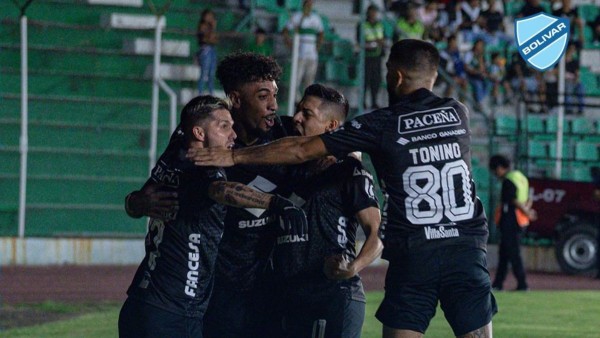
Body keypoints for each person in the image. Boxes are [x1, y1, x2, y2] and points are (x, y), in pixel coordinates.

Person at [187, 39, 498, 338]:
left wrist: (233, 155)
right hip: (465, 248)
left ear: (395, 75)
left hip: (410, 254)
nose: (291, 115)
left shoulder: (379, 125)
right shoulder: (458, 112)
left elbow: (302, 149)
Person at [125, 52, 295, 338]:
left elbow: (325, 143)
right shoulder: (196, 146)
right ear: (236, 99)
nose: (273, 106)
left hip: (266, 284)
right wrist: (137, 202)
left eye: (275, 95)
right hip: (211, 291)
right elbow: (145, 198)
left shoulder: (287, 133)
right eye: (263, 96)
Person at [275, 84, 383, 338]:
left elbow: (377, 233)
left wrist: (353, 267)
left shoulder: (348, 171)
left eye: (307, 113)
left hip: (333, 296)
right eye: (298, 110)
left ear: (331, 126)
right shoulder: (287, 166)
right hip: (288, 298)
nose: (297, 118)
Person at [488, 154, 537, 291]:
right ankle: (498, 283)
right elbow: (528, 197)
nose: (495, 174)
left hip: (511, 219)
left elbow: (513, 200)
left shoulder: (508, 181)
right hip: (520, 220)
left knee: (512, 252)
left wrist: (527, 212)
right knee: (504, 253)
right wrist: (528, 211)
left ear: (499, 168)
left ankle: (522, 283)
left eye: (495, 170)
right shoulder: (520, 177)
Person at [283, 0, 324, 97]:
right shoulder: (297, 16)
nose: (309, 6)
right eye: (307, 4)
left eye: (311, 4)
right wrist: (290, 45)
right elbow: (285, 31)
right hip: (300, 54)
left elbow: (321, 33)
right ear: (303, 5)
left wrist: (318, 47)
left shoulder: (316, 18)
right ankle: (295, 100)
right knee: (296, 80)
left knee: (309, 81)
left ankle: (307, 100)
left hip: (312, 55)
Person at [358, 4, 385, 109]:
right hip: (366, 56)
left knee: (376, 80)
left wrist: (379, 42)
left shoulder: (380, 25)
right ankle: (363, 102)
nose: (373, 14)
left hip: (377, 55)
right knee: (365, 80)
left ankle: (374, 101)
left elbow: (382, 38)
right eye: (372, 11)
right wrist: (373, 41)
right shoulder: (363, 25)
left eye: (375, 12)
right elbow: (359, 40)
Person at [196, 9, 218, 95]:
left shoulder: (211, 27)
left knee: (211, 74)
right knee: (204, 73)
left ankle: (211, 93)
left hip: (212, 50)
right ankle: (200, 94)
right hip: (205, 50)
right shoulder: (202, 26)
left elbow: (215, 40)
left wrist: (213, 30)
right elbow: (206, 39)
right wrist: (212, 29)